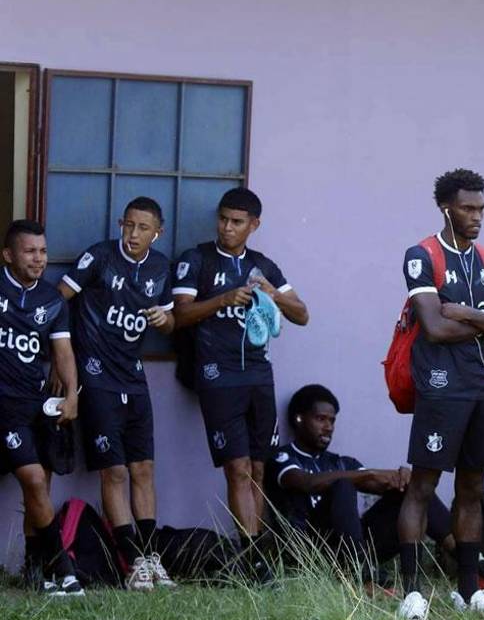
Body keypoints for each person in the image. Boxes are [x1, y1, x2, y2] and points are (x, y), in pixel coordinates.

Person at [395, 168, 484, 620]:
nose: (477, 216)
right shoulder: (422, 255)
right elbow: (433, 326)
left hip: (482, 384)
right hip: (440, 386)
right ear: (446, 208)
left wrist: (467, 313)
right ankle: (412, 591)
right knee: (423, 485)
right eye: (468, 208)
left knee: (472, 488)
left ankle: (469, 591)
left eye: (481, 209)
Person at [172, 188, 309, 577]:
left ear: (254, 225)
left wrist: (273, 294)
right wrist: (222, 299)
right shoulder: (196, 259)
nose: (227, 228)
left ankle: (260, 555)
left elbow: (302, 315)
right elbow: (180, 316)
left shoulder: (263, 266)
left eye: (236, 222)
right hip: (217, 375)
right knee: (237, 468)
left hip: (259, 376)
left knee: (259, 469)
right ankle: (251, 559)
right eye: (223, 219)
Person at [58, 197, 177, 590]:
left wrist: (164, 319)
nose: (133, 234)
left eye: (143, 228)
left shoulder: (160, 268)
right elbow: (57, 300)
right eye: (128, 225)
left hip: (134, 377)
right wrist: (61, 360)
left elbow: (171, 321)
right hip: (96, 376)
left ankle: (151, 557)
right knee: (115, 470)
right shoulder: (100, 257)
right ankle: (131, 561)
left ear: (157, 233)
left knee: (143, 469)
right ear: (120, 223)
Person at [265, 384, 452, 596]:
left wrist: (401, 479)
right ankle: (363, 576)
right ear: (299, 419)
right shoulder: (282, 458)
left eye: (332, 421)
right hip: (312, 551)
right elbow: (308, 483)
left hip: (353, 547)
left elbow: (377, 483)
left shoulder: (340, 462)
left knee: (413, 491)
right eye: (321, 419)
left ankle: (467, 561)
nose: (328, 427)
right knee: (343, 484)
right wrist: (369, 474)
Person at [0, 220, 84, 596]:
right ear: (8, 255)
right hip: (5, 406)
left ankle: (36, 571)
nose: (39, 259)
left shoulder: (51, 300)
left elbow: (63, 352)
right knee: (33, 480)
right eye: (30, 251)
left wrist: (72, 396)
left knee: (40, 488)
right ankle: (64, 569)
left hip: (37, 404)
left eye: (43, 251)